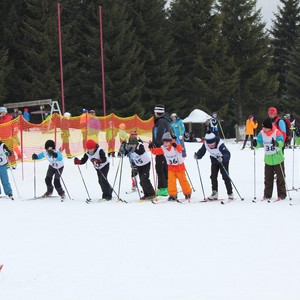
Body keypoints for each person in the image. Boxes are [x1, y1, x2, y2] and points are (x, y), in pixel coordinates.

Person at [150, 132, 192, 201]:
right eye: (164, 141)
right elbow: (156, 152)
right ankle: (173, 195)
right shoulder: (163, 148)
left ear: (170, 141)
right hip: (171, 168)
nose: (165, 143)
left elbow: (180, 149)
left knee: (183, 180)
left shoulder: (174, 145)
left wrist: (175, 145)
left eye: (167, 141)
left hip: (179, 167)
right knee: (171, 182)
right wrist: (151, 147)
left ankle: (187, 193)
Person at [253, 118, 286, 201]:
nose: (263, 129)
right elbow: (259, 143)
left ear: (269, 127)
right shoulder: (261, 133)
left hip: (278, 158)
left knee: (280, 178)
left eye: (264, 127)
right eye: (262, 127)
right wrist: (255, 144)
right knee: (268, 178)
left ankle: (282, 194)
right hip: (268, 159)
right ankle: (267, 194)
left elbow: (282, 142)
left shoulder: (276, 132)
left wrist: (277, 143)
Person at [194, 131, 233, 200]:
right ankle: (214, 193)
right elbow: (202, 151)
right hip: (214, 160)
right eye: (209, 144)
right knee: (213, 176)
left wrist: (223, 158)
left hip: (223, 160)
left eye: (213, 143)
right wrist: (198, 155)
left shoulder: (220, 144)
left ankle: (230, 193)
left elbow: (227, 154)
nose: (211, 145)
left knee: (225, 176)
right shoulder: (206, 143)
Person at [124, 135, 156, 200]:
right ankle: (146, 194)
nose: (133, 145)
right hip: (139, 165)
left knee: (145, 179)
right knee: (141, 181)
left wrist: (134, 150)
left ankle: (151, 193)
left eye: (134, 144)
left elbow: (140, 152)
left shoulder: (140, 145)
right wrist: (123, 149)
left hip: (145, 164)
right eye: (131, 144)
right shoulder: (129, 147)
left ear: (136, 143)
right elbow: (125, 153)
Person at [151, 104, 171, 196]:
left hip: (161, 148)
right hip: (162, 147)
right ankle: (166, 186)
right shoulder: (163, 120)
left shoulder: (161, 121)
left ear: (156, 112)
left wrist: (155, 144)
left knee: (160, 168)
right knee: (163, 167)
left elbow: (159, 135)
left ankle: (163, 188)